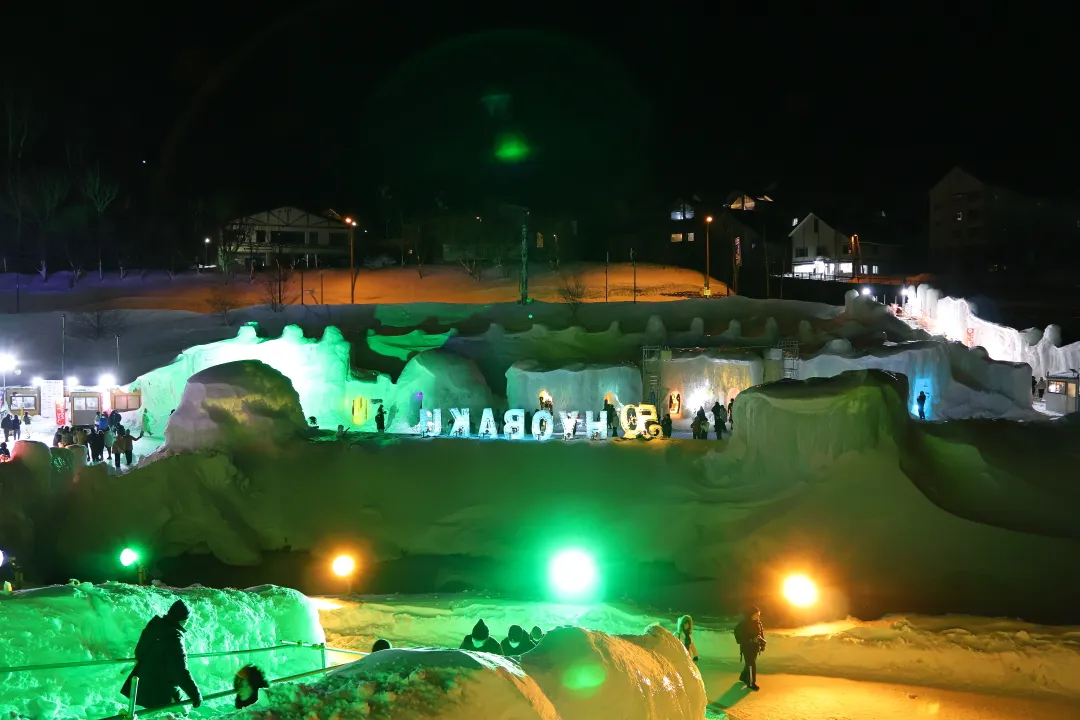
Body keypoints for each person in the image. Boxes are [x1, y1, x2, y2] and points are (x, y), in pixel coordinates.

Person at [121, 599, 202, 709]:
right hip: (162, 693)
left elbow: (139, 652)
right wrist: (195, 694)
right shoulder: (174, 637)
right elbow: (179, 671)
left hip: (143, 687)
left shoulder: (154, 626)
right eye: (187, 619)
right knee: (180, 712)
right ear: (182, 619)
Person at [734, 606, 765, 691]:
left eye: (759, 614)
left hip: (755, 647)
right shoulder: (743, 625)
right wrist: (751, 640)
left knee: (750, 663)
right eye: (756, 614)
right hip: (747, 648)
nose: (758, 616)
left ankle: (743, 676)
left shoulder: (758, 623)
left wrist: (762, 644)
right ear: (750, 615)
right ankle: (751, 683)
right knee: (751, 664)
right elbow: (739, 638)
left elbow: (761, 634)